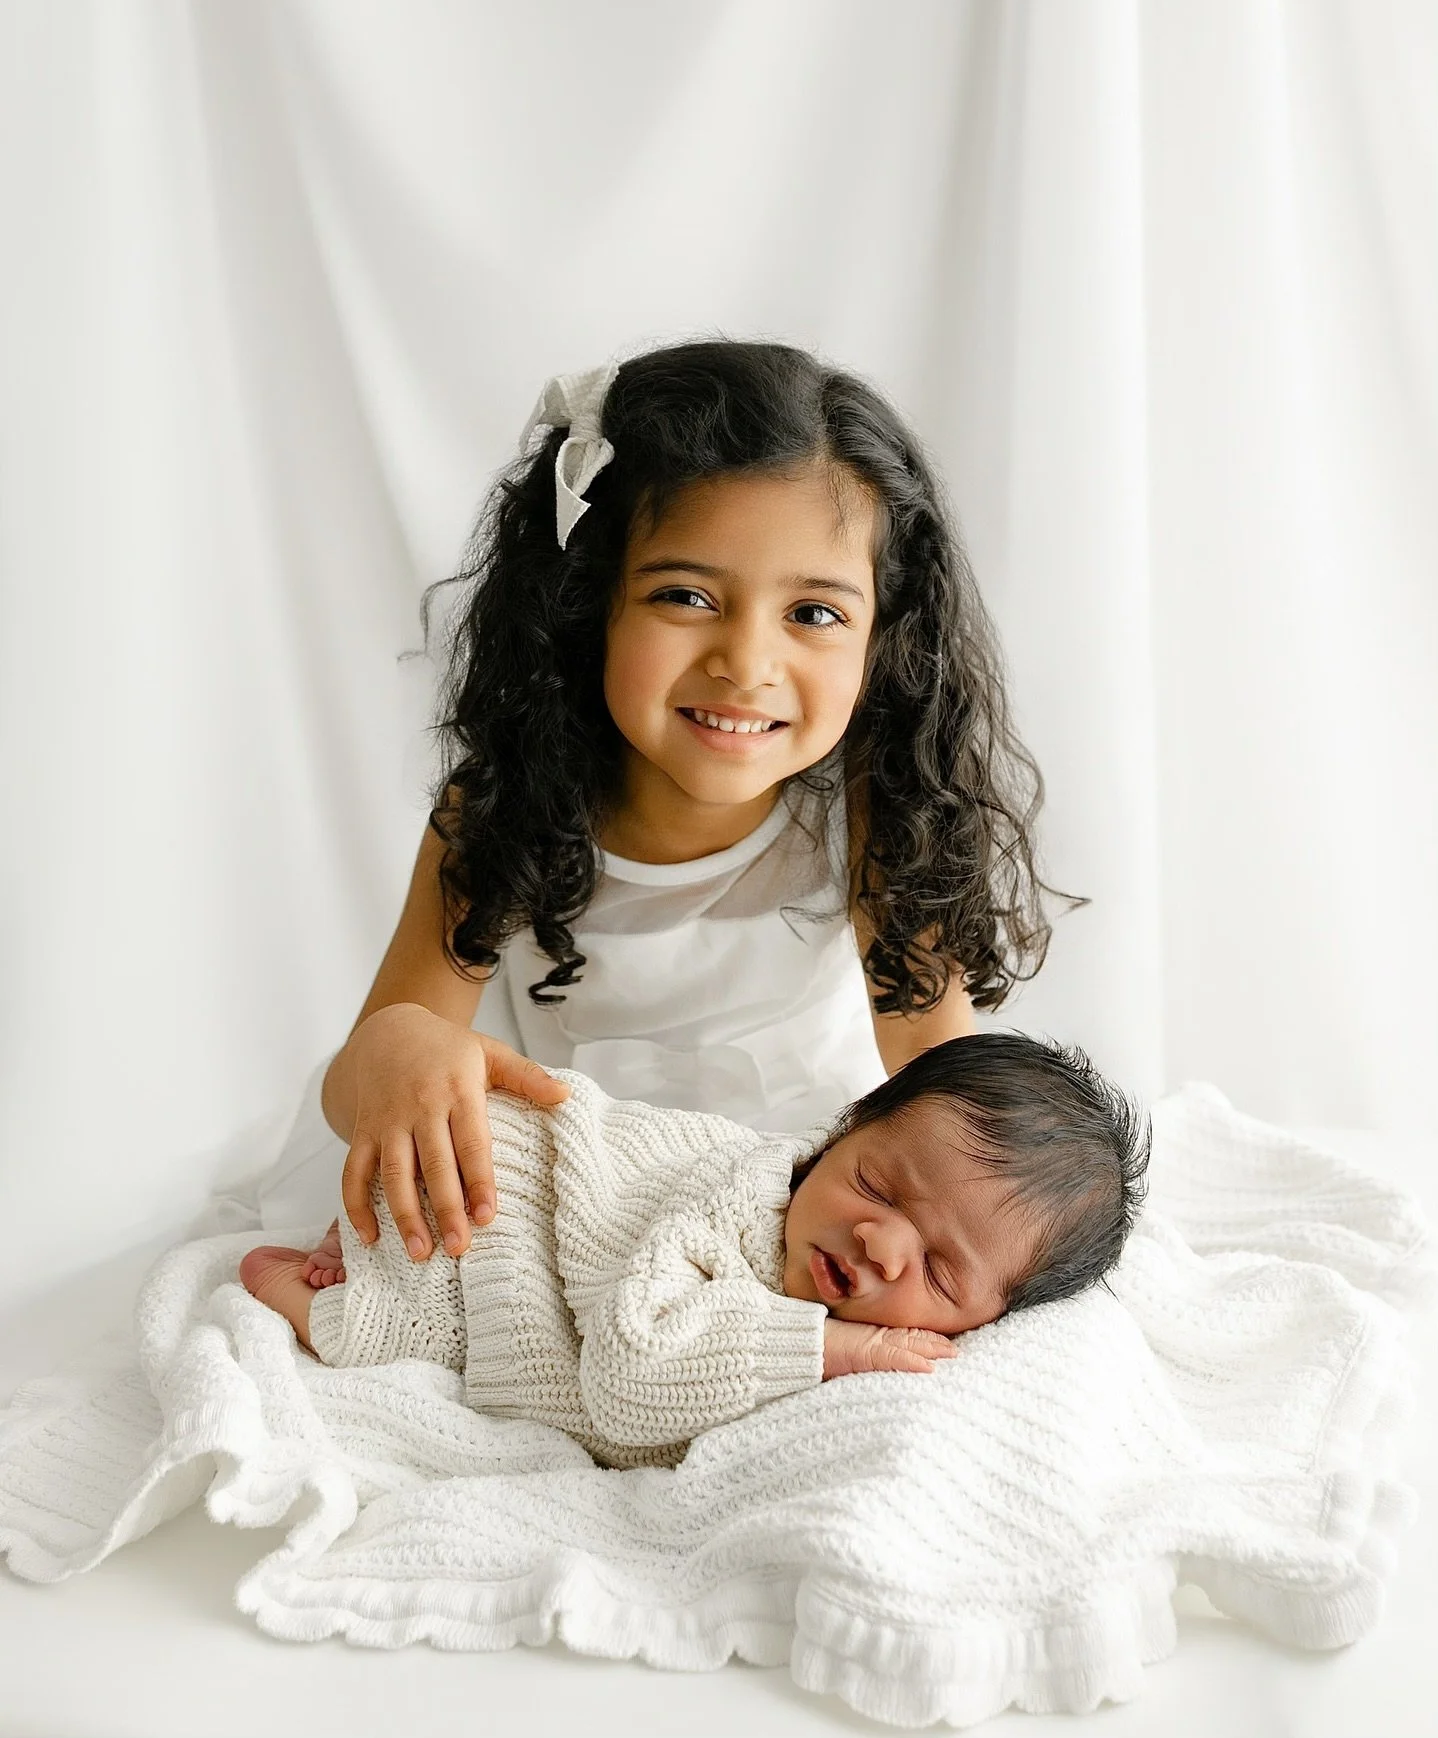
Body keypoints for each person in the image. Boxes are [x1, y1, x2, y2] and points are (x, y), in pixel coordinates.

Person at [317, 338, 1074, 1275]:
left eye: (814, 613)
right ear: (587, 605)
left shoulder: (872, 812)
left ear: (884, 637)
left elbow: (940, 1075)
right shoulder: (502, 810)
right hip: (581, 1194)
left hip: (805, 1192)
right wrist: (401, 1049)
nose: (747, 664)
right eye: (686, 595)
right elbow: (361, 1081)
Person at [242, 1033, 1149, 1468]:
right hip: (512, 1190)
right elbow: (627, 1375)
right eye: (875, 1184)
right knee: (392, 1322)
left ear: (990, 1319)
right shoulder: (740, 1206)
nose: (878, 1241)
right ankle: (315, 1278)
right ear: (839, 1135)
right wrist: (836, 1348)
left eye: (941, 1272)